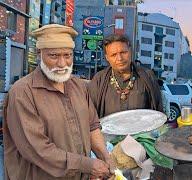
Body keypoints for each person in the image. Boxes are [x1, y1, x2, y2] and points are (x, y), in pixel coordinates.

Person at [3, 24, 114, 180]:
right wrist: (88, 165)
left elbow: (92, 126)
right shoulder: (22, 93)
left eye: (67, 55)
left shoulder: (78, 86)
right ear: (39, 54)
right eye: (54, 56)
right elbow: (37, 149)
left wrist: (105, 157)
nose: (62, 64)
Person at [88, 34, 162, 117]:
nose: (119, 58)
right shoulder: (99, 80)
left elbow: (158, 113)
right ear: (107, 58)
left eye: (123, 52)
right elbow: (90, 116)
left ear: (130, 52)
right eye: (114, 55)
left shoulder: (147, 76)